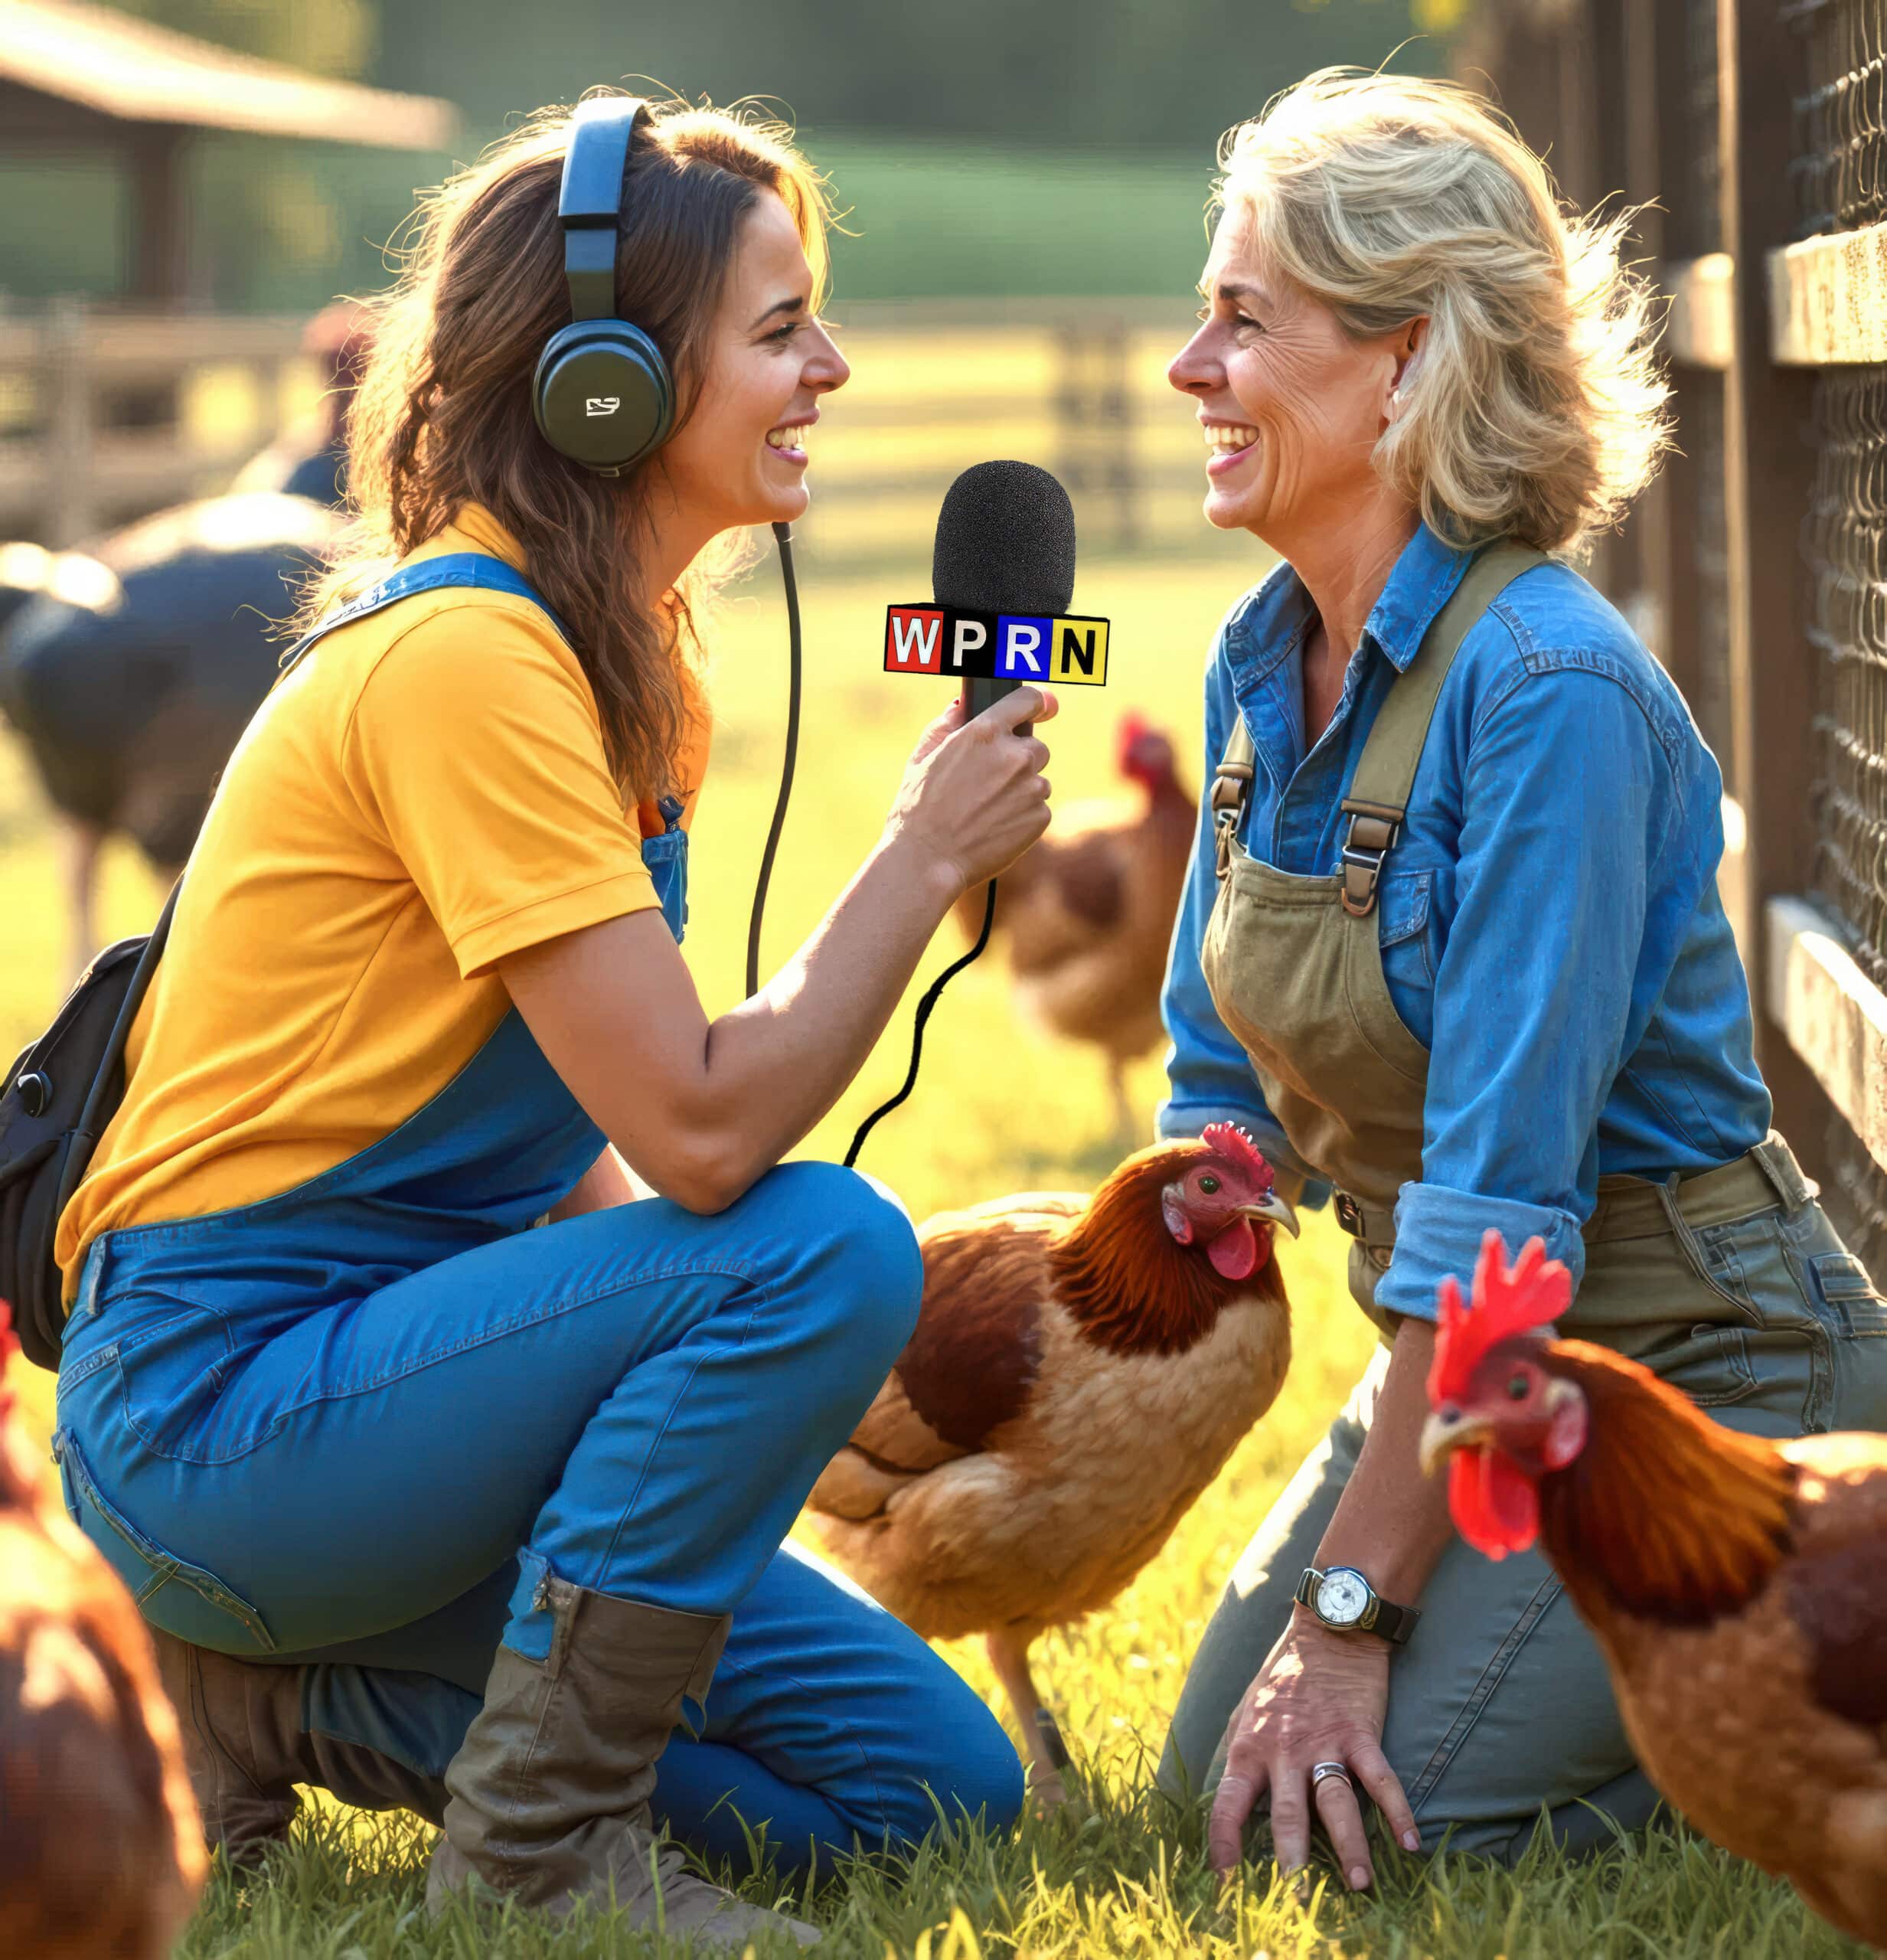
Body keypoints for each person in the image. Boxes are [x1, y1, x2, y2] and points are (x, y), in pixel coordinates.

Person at [51, 92, 1051, 1948]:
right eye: (778, 330)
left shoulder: (611, 660)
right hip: (225, 1411)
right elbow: (693, 1129)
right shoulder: (468, 656)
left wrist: (697, 1388)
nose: (826, 366)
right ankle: (534, 1837)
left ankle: (275, 1698)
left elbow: (571, 1135)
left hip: (387, 1393)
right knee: (822, 1240)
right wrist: (921, 860)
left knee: (925, 1788)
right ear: (605, 381)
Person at [1153, 69, 1887, 1891]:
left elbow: (1496, 1229)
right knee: (1213, 1785)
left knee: (1385, 1831)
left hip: (1696, 1369)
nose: (1189, 365)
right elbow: (1207, 1082)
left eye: (1242, 318)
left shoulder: (1547, 694)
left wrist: (1351, 1621)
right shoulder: (1267, 664)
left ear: (1409, 363)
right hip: (1486, 1368)